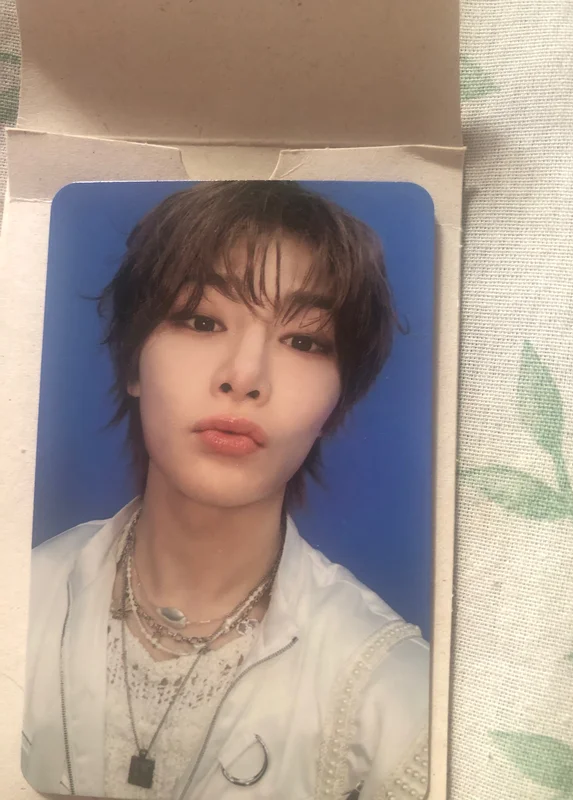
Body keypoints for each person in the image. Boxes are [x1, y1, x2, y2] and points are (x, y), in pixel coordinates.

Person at [22, 181, 430, 800]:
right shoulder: (21, 598)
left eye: (304, 340)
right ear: (133, 362)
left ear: (337, 402)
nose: (244, 376)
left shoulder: (394, 699)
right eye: (202, 320)